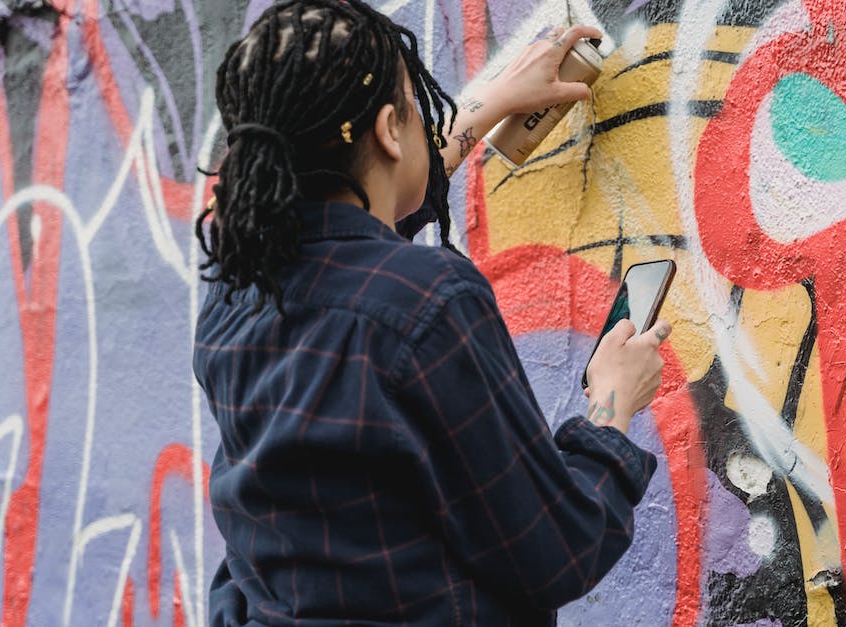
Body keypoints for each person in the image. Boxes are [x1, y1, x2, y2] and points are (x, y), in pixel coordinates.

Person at [191, 1, 672, 625]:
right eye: (416, 111)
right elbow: (558, 550)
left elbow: (359, 225)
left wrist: (496, 100)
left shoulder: (235, 292)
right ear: (391, 130)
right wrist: (612, 406)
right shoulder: (429, 300)